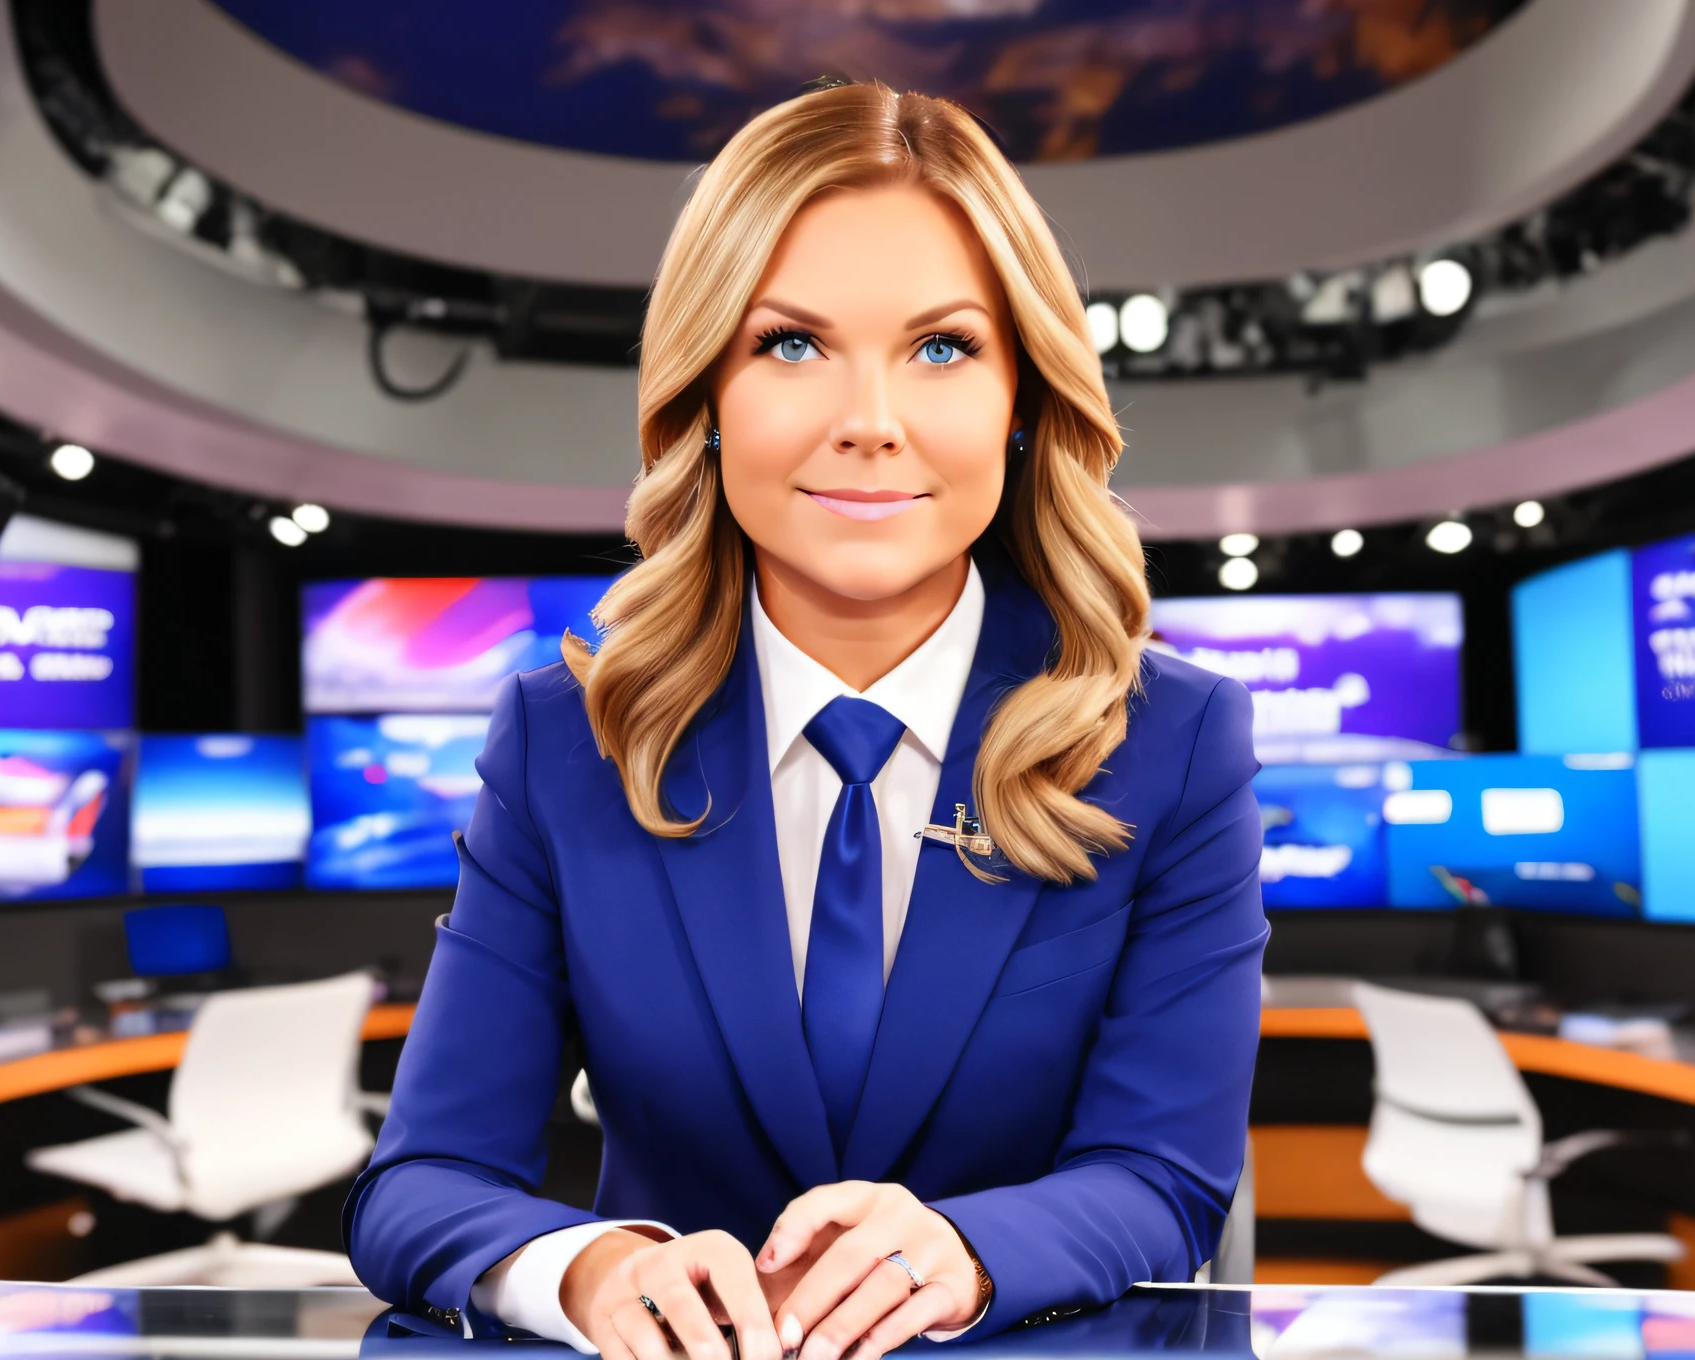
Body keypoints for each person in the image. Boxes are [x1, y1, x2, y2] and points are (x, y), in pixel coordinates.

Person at [345, 80, 1266, 1360]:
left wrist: (970, 1251)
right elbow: (419, 1184)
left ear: (1021, 402)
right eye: (789, 343)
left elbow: (1164, 1176)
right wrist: (587, 1267)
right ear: (705, 397)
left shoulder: (1173, 742)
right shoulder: (565, 742)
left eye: (942, 347)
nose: (868, 423)